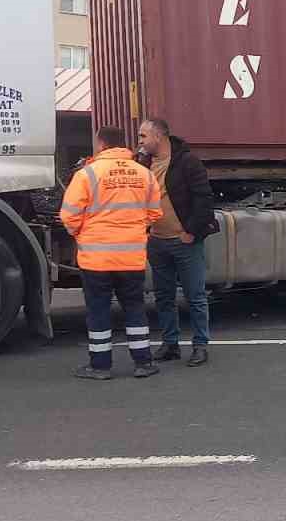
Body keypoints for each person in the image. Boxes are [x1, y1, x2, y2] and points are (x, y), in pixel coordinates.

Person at [60, 126, 164, 380]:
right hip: (131, 258)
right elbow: (154, 214)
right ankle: (143, 363)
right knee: (134, 308)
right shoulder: (144, 174)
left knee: (98, 311)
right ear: (122, 145)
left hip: (96, 259)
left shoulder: (87, 175)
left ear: (101, 144)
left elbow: (69, 216)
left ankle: (100, 366)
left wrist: (82, 234)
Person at [137, 119, 220, 367]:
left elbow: (204, 199)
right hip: (157, 240)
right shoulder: (143, 162)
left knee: (195, 295)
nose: (139, 141)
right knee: (163, 296)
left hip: (183, 240)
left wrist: (191, 232)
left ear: (159, 137)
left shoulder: (186, 161)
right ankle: (170, 344)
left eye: (143, 136)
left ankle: (200, 345)